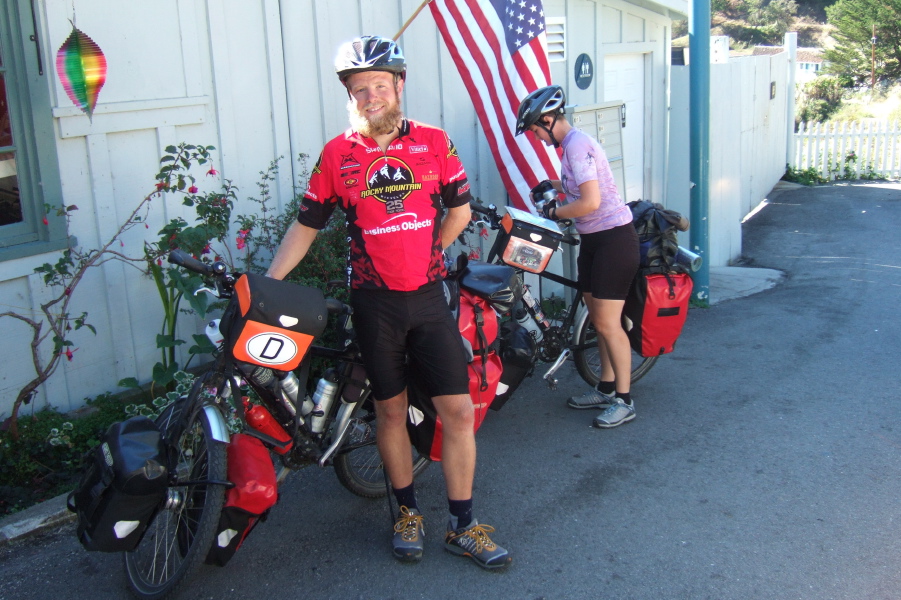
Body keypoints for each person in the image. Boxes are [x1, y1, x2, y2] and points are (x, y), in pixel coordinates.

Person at [266, 35, 510, 569]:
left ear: (399, 86)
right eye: (360, 88)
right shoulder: (338, 155)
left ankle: (463, 525)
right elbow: (306, 227)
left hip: (427, 300)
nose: (371, 95)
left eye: (380, 84)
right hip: (374, 305)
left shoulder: (434, 142)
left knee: (458, 411)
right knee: (390, 411)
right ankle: (405, 514)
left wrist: (431, 252)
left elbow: (461, 211)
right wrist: (267, 281)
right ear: (349, 96)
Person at [515, 85, 640, 428]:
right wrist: (552, 184)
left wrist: (555, 212)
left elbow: (590, 203)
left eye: (535, 130)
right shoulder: (570, 148)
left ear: (548, 119)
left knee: (607, 323)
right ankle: (606, 387)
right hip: (594, 240)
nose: (537, 137)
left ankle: (625, 401)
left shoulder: (577, 145)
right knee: (598, 319)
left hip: (614, 240)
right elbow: (582, 188)